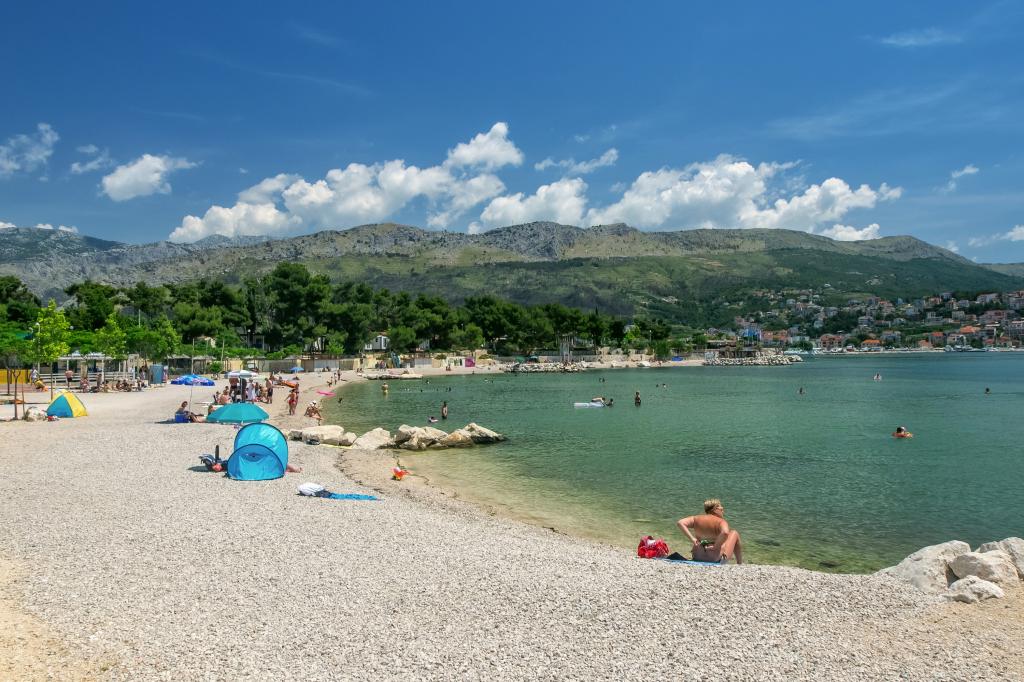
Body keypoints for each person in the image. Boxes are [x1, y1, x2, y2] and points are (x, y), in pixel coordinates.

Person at [677, 499, 743, 564]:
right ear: (715, 509)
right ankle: (739, 563)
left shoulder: (696, 518)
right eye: (721, 509)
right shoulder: (721, 522)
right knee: (734, 533)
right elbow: (725, 532)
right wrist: (716, 546)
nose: (723, 511)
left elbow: (680, 523)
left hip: (697, 556)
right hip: (714, 558)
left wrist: (692, 539)